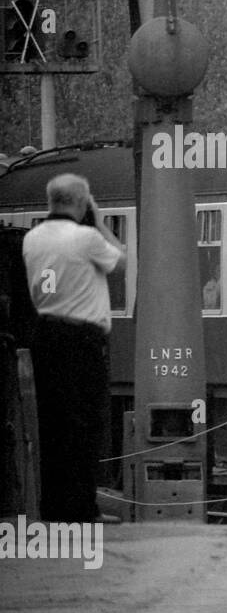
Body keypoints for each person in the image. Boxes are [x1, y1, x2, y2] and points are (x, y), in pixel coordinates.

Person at [22, 173, 126, 522]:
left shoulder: (32, 239)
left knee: (53, 426)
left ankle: (54, 508)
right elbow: (121, 260)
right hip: (82, 341)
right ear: (81, 203)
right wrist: (98, 221)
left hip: (46, 337)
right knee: (86, 426)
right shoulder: (85, 238)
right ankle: (83, 509)